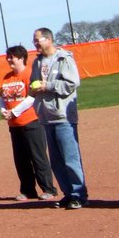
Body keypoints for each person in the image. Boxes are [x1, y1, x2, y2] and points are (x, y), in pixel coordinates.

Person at [30, 29, 87, 209]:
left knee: (70, 158)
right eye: (34, 41)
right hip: (46, 117)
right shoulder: (37, 62)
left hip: (63, 116)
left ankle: (79, 194)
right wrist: (34, 88)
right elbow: (32, 85)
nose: (35, 43)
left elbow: (72, 83)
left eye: (37, 40)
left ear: (49, 39)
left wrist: (47, 85)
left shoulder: (64, 58)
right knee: (56, 161)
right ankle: (68, 193)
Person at [0, 44, 57, 202]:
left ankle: (48, 189)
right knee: (21, 159)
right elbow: (2, 97)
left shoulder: (30, 73)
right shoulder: (7, 77)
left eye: (12, 57)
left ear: (22, 58)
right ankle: (27, 190)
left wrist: (14, 112)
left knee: (37, 157)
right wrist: (3, 110)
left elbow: (32, 97)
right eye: (8, 57)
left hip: (31, 122)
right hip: (14, 125)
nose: (9, 60)